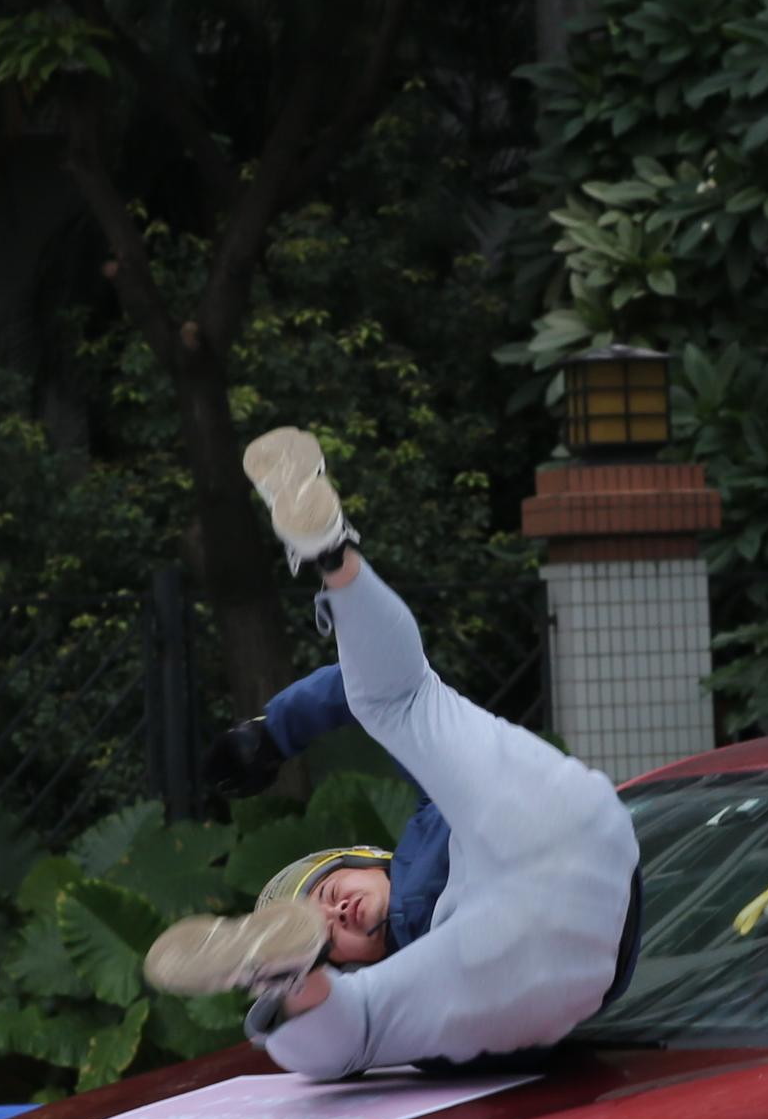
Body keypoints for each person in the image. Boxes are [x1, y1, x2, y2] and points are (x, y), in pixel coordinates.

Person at [147, 429, 642, 1076]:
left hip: (559, 827)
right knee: (350, 1030)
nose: (335, 910)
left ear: (367, 860)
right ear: (341, 959)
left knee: (400, 701)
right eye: (322, 926)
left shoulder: (434, 814)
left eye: (328, 891)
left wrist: (277, 730)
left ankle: (328, 550)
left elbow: (371, 690)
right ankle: (283, 971)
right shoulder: (409, 979)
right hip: (514, 962)